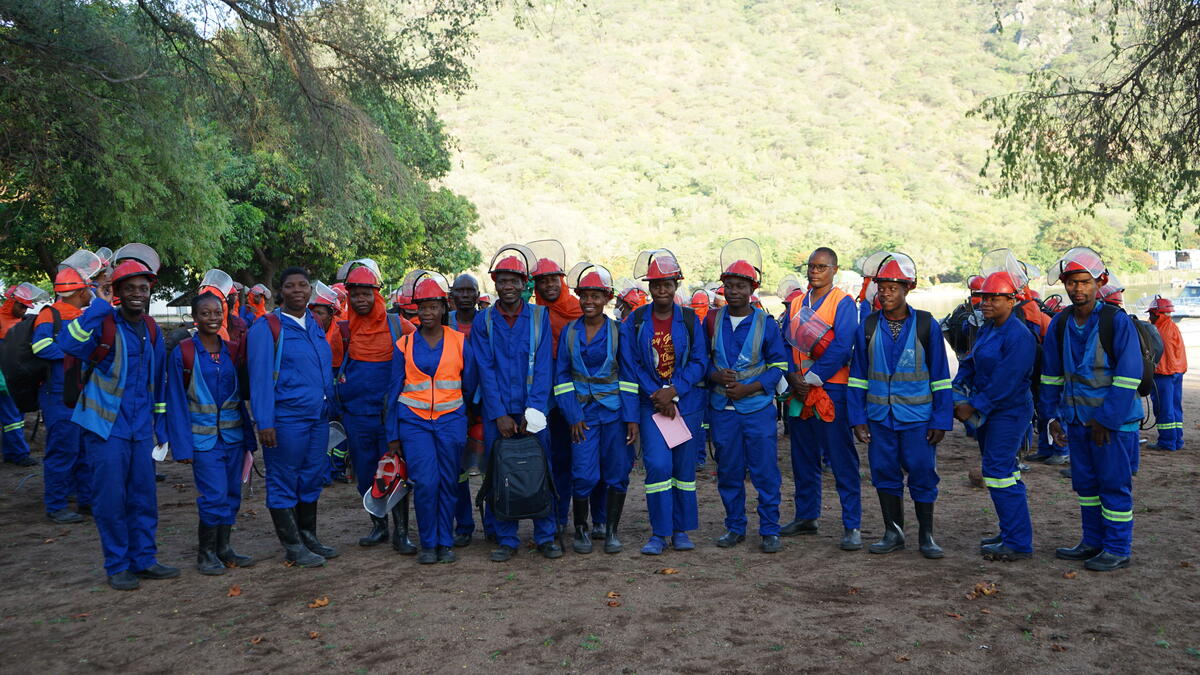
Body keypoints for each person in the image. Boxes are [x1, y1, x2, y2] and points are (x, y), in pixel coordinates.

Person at [55, 244, 179, 590]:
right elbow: (69, 343)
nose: (137, 294)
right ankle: (117, 565)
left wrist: (160, 424)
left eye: (143, 288)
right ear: (118, 292)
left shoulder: (153, 329)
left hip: (140, 430)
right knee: (110, 499)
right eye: (130, 288)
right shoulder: (101, 323)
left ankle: (144, 560)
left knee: (143, 497)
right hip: (104, 428)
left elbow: (157, 382)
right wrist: (98, 304)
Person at [1040, 248, 1144, 572]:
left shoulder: (1116, 322)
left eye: (1084, 282)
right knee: (1085, 486)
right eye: (1071, 283)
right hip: (1076, 422)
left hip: (1111, 426)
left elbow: (1129, 376)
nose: (1077, 290)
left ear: (1099, 282)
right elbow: (1050, 376)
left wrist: (1107, 420)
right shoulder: (1059, 324)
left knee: (1113, 485)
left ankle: (1116, 548)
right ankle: (1092, 541)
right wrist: (1052, 418)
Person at [848, 252, 953, 560]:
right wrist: (858, 418)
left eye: (893, 288)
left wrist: (941, 420)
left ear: (907, 290)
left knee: (922, 473)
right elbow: (858, 378)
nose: (886, 293)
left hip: (918, 419)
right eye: (881, 288)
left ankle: (926, 536)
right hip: (880, 418)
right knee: (883, 472)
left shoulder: (925, 325)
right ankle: (893, 532)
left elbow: (940, 378)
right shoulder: (867, 327)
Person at [471, 244, 560, 561]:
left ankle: (546, 535)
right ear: (494, 283)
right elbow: (486, 369)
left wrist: (533, 411)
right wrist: (499, 415)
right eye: (502, 281)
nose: (508, 287)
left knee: (540, 470)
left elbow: (545, 368)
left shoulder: (539, 317)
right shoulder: (485, 322)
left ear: (525, 284)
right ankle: (506, 539)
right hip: (500, 415)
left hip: (534, 411)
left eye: (514, 281)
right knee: (500, 474)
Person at [247, 267, 337, 568]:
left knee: (311, 476)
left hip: (317, 417)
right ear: (280, 291)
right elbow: (259, 378)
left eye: (303, 285)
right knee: (284, 479)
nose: (298, 290)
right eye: (290, 286)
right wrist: (265, 421)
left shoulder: (314, 322)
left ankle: (308, 536)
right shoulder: (267, 328)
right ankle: (293, 546)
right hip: (286, 419)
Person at [620, 249, 708, 555]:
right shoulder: (636, 320)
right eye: (656, 284)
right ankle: (659, 532)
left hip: (686, 403)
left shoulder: (688, 319)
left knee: (684, 468)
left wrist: (674, 390)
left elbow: (699, 361)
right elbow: (631, 365)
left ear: (676, 285)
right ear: (649, 286)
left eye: (668, 284)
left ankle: (681, 530)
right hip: (651, 405)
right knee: (657, 465)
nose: (662, 289)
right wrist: (658, 395)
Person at [165, 289, 257, 575]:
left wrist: (250, 439)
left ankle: (224, 549)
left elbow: (243, 395)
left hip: (233, 438)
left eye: (217, 312)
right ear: (194, 318)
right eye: (205, 313)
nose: (213, 318)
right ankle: (205, 554)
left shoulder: (231, 350)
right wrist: (180, 447)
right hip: (203, 441)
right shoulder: (184, 353)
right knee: (213, 495)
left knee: (231, 494)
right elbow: (175, 403)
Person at [386, 271, 475, 563]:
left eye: (433, 306)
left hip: (451, 419)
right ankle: (428, 543)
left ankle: (445, 542)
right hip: (414, 421)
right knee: (425, 483)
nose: (428, 312)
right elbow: (394, 390)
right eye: (422, 307)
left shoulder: (460, 341)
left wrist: (463, 415)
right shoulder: (405, 344)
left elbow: (471, 384)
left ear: (443, 307)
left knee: (449, 482)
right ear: (415, 309)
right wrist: (393, 435)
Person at [706, 241, 788, 553]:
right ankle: (735, 526)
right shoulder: (712, 320)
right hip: (723, 409)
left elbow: (779, 365)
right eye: (729, 286)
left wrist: (749, 387)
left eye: (741, 286)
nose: (734, 291)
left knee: (765, 470)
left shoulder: (766, 323)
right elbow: (701, 361)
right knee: (728, 470)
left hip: (756, 408)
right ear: (723, 288)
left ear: (752, 288)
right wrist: (715, 375)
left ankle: (769, 528)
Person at [330, 260, 416, 551]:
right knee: (366, 472)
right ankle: (378, 526)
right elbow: (332, 372)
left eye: (366, 293)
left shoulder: (399, 326)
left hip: (391, 416)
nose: (361, 300)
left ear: (377, 294)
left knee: (395, 470)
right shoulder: (343, 331)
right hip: (357, 417)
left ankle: (401, 532)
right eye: (355, 294)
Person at [952, 269, 1037, 561]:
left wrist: (972, 406)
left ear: (1011, 300)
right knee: (1004, 473)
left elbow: (1007, 381)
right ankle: (1011, 533)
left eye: (993, 298)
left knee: (999, 473)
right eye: (983, 297)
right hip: (990, 410)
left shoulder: (1019, 336)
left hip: (1008, 412)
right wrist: (957, 389)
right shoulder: (988, 328)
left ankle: (1018, 543)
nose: (985, 302)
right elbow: (971, 362)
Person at [781, 247, 862, 551]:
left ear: (834, 270)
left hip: (831, 389)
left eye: (821, 267)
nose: (814, 271)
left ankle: (851, 524)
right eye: (811, 266)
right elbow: (787, 344)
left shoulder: (843, 303)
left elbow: (842, 346)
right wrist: (793, 378)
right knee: (802, 456)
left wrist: (812, 378)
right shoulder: (797, 302)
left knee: (840, 456)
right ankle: (806, 516)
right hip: (799, 390)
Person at [554, 263, 638, 554]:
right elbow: (561, 376)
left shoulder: (618, 331)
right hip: (582, 415)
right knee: (584, 473)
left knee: (616, 471)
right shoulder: (569, 332)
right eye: (585, 295)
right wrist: (573, 414)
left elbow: (628, 376)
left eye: (596, 296)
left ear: (607, 299)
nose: (589, 301)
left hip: (614, 413)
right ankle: (581, 529)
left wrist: (631, 418)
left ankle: (611, 531)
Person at [33, 251, 102, 520]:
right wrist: (73, 351)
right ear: (78, 292)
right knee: (63, 450)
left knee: (85, 449)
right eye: (88, 289)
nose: (90, 293)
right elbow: (40, 347)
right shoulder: (50, 315)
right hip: (58, 395)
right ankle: (57, 506)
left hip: (80, 392)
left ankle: (86, 501)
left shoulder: (80, 314)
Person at [529, 242, 584, 535]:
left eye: (553, 279)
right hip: (540, 394)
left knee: (567, 457)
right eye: (542, 281)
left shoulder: (577, 308)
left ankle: (564, 515)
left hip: (572, 392)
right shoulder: (532, 312)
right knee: (543, 456)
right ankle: (548, 515)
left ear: (562, 281)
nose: (548, 285)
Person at [448, 273, 483, 545]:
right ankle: (464, 525)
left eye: (470, 290)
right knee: (458, 470)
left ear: (478, 293)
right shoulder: (443, 322)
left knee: (490, 467)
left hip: (486, 405)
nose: (465, 295)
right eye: (459, 291)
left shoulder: (488, 322)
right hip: (452, 407)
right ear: (452, 295)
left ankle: (493, 524)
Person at [1147, 296, 1186, 451]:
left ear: (1158, 314)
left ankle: (1167, 442)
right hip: (1177, 372)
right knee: (1175, 407)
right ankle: (1177, 440)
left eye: (1151, 314)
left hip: (1164, 374)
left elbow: (1156, 354)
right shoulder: (1173, 327)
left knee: (1164, 408)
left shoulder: (1160, 331)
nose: (1149, 317)